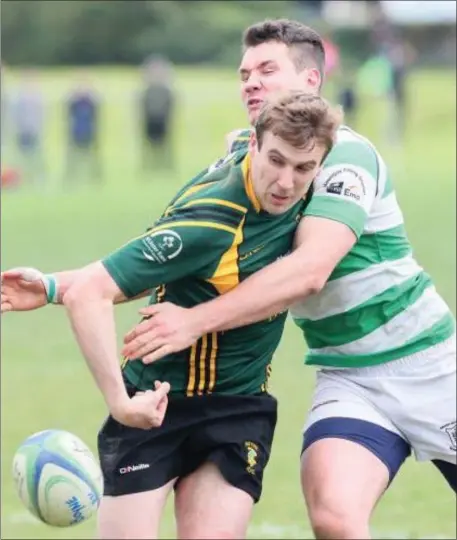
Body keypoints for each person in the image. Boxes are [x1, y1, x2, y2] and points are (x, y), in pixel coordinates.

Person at [117, 19, 455, 540]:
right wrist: (79, 286)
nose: (250, 81)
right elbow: (192, 241)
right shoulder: (248, 158)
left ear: (313, 80)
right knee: (335, 518)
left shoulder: (345, 154)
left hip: (432, 367)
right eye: (245, 72)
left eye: (267, 70)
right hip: (350, 376)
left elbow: (310, 269)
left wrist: (194, 322)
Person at [1, 90, 343, 539]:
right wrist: (121, 405)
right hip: (154, 405)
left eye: (304, 168)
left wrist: (47, 287)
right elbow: (92, 292)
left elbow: (235, 135)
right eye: (276, 160)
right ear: (256, 146)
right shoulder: (210, 224)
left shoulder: (273, 162)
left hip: (238, 406)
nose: (286, 182)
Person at [65, 75, 102, 184]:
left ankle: (95, 177)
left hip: (89, 132)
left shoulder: (91, 102)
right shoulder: (74, 102)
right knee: (74, 157)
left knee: (91, 157)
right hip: (76, 132)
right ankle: (72, 177)